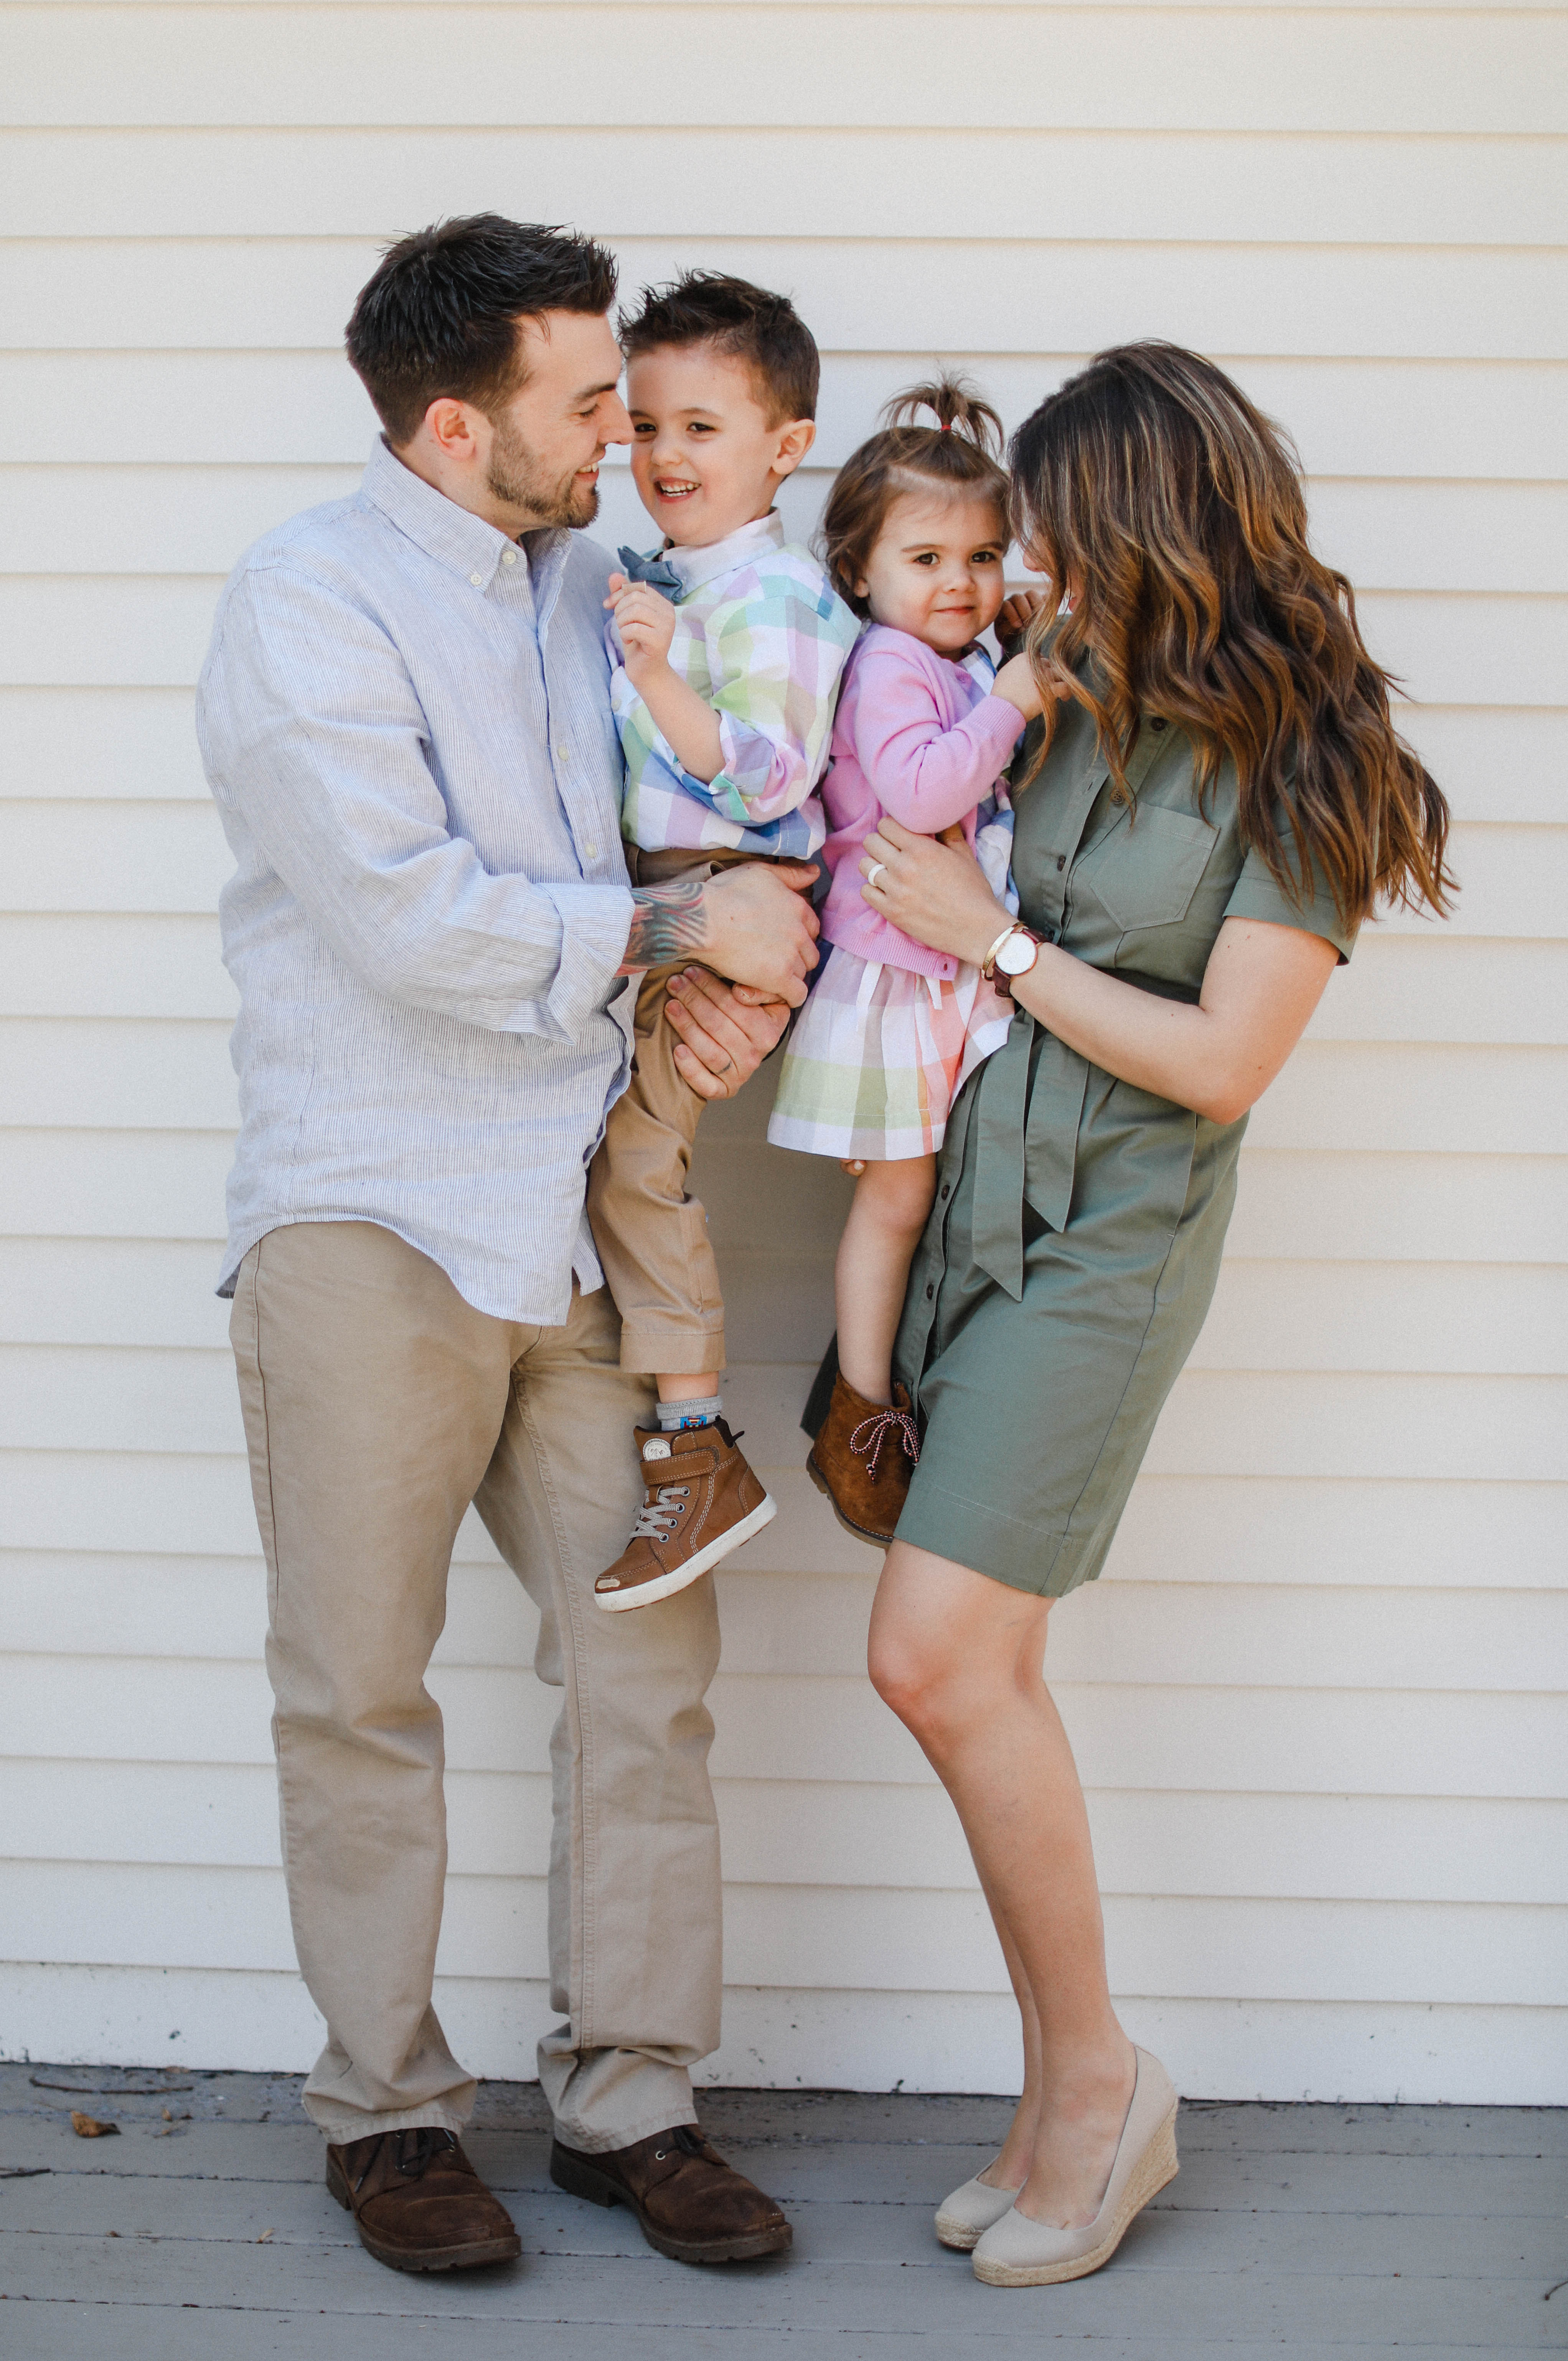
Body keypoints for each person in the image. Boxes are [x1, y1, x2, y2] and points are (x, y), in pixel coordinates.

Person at [196, 215, 818, 2275]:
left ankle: (628, 2096)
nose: (617, 435)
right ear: (456, 424)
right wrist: (669, 934)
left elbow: (673, 831)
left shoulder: (599, 587)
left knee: (647, 1675)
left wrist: (739, 957)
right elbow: (417, 920)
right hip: (370, 1215)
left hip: (584, 1231)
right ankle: (385, 2114)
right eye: (580, 401)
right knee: (360, 1690)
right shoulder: (307, 604)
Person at [845, 343, 1453, 2288]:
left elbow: (1221, 1058)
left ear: (1147, 522)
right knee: (972, 1672)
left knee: (935, 1662)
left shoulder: (1304, 760)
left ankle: (1101, 2084)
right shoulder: (1068, 689)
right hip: (971, 1210)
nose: (1023, 561)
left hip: (1106, 1244)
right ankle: (1057, 2102)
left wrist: (995, 942)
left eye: (1054, 529)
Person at [588, 272, 861, 1611]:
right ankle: (679, 1428)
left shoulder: (781, 601)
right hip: (658, 896)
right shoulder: (669, 584)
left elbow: (766, 775)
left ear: (786, 447)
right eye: (645, 426)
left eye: (701, 426)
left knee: (640, 1163)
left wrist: (652, 674)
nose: (664, 456)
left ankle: (694, 1445)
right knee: (620, 1156)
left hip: (720, 889)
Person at [767, 378, 1044, 1544]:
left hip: (945, 968)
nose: (961, 584)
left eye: (983, 556)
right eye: (926, 557)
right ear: (861, 573)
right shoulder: (891, 664)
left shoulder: (959, 658)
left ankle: (905, 1386)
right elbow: (928, 786)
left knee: (939, 1189)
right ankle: (864, 1407)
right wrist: (1019, 698)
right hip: (894, 976)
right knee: (897, 1198)